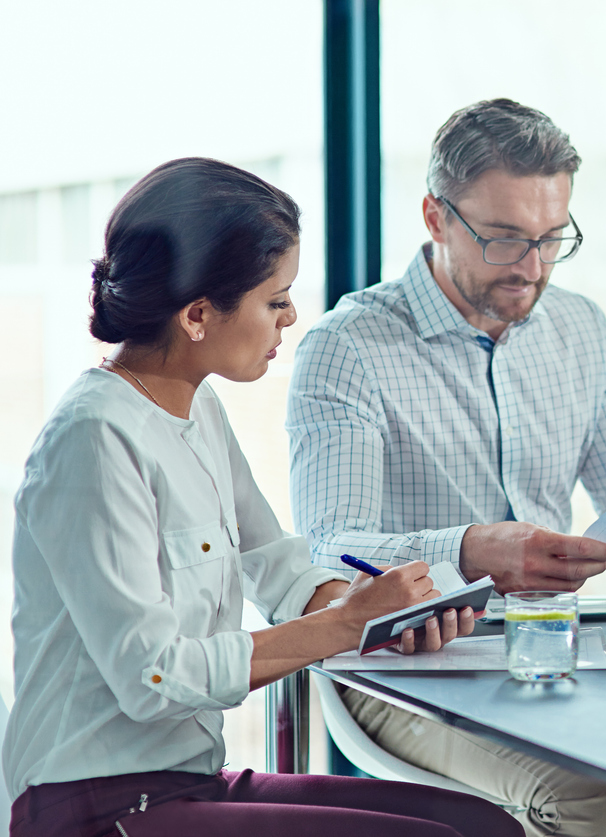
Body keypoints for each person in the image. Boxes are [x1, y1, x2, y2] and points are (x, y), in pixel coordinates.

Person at [3, 157, 522, 837]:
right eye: (276, 300)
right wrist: (345, 624)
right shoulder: (93, 437)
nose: (292, 316)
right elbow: (152, 676)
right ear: (197, 314)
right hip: (95, 805)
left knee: (483, 825)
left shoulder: (198, 408)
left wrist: (380, 613)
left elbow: (275, 564)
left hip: (186, 779)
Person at [287, 98, 606, 837]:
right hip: (399, 666)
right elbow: (328, 548)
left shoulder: (580, 327)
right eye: (505, 239)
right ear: (436, 217)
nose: (532, 267)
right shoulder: (347, 347)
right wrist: (470, 551)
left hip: (556, 647)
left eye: (553, 239)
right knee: (601, 799)